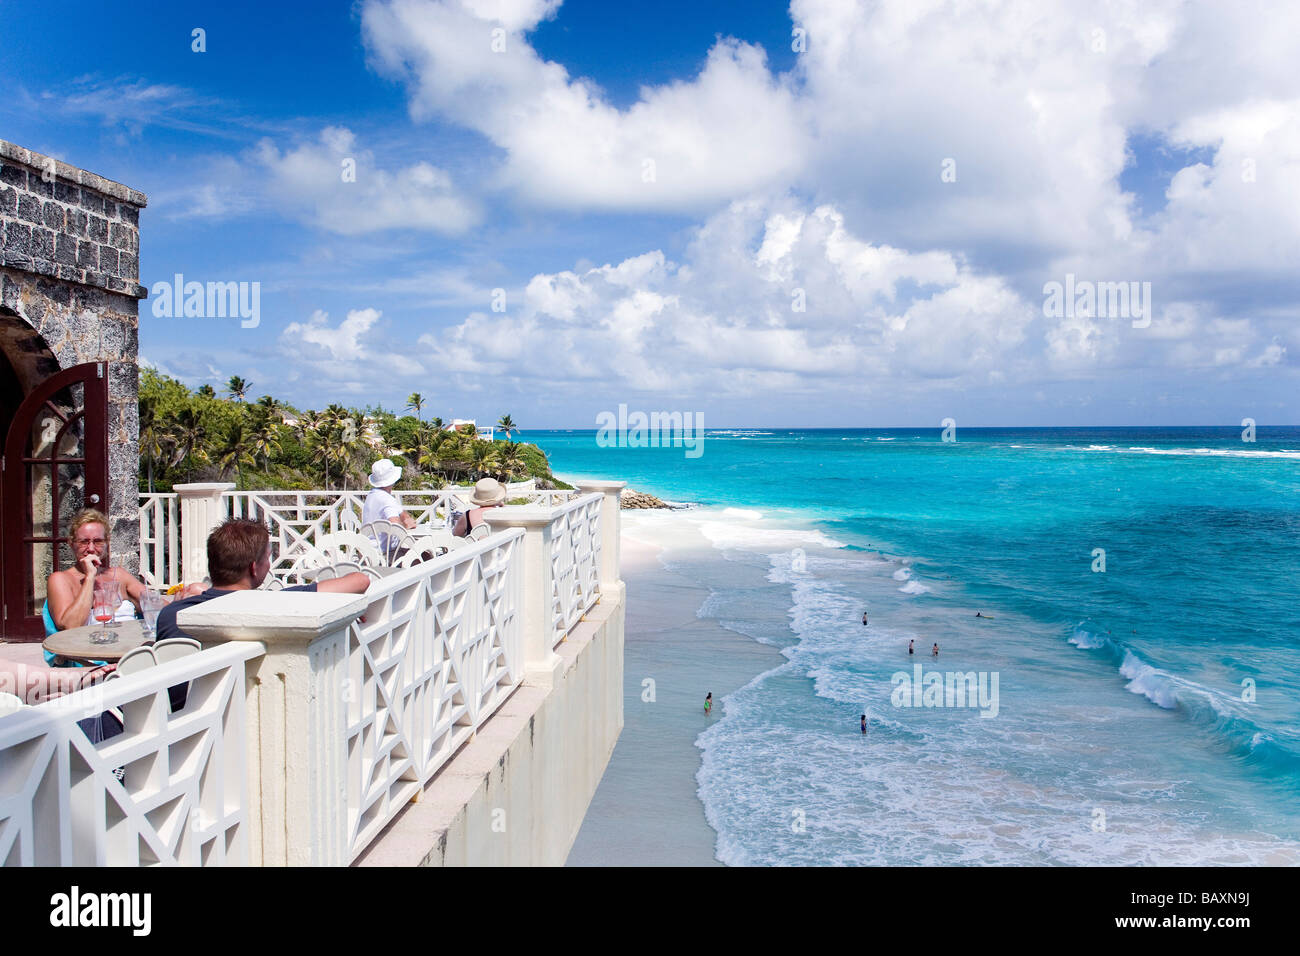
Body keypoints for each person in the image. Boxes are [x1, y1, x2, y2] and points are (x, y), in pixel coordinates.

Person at [156, 519, 371, 642]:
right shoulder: (273, 605)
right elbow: (360, 580)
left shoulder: (170, 615)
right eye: (267, 558)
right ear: (253, 568)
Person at [46, 508, 148, 631]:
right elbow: (70, 626)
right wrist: (90, 577)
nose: (91, 548)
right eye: (84, 542)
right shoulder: (61, 579)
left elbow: (155, 605)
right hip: (88, 648)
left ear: (107, 543)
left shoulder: (118, 575)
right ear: (71, 544)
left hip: (129, 645)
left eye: (98, 541)